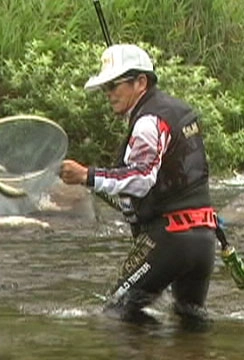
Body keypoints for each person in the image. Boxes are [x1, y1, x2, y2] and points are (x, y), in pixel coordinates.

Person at [59, 44, 217, 330]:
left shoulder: (148, 122)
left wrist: (87, 175)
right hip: (204, 241)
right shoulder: (178, 111)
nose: (108, 94)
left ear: (140, 82)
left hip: (172, 240)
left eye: (114, 85)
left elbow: (143, 179)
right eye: (106, 87)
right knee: (190, 322)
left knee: (116, 314)